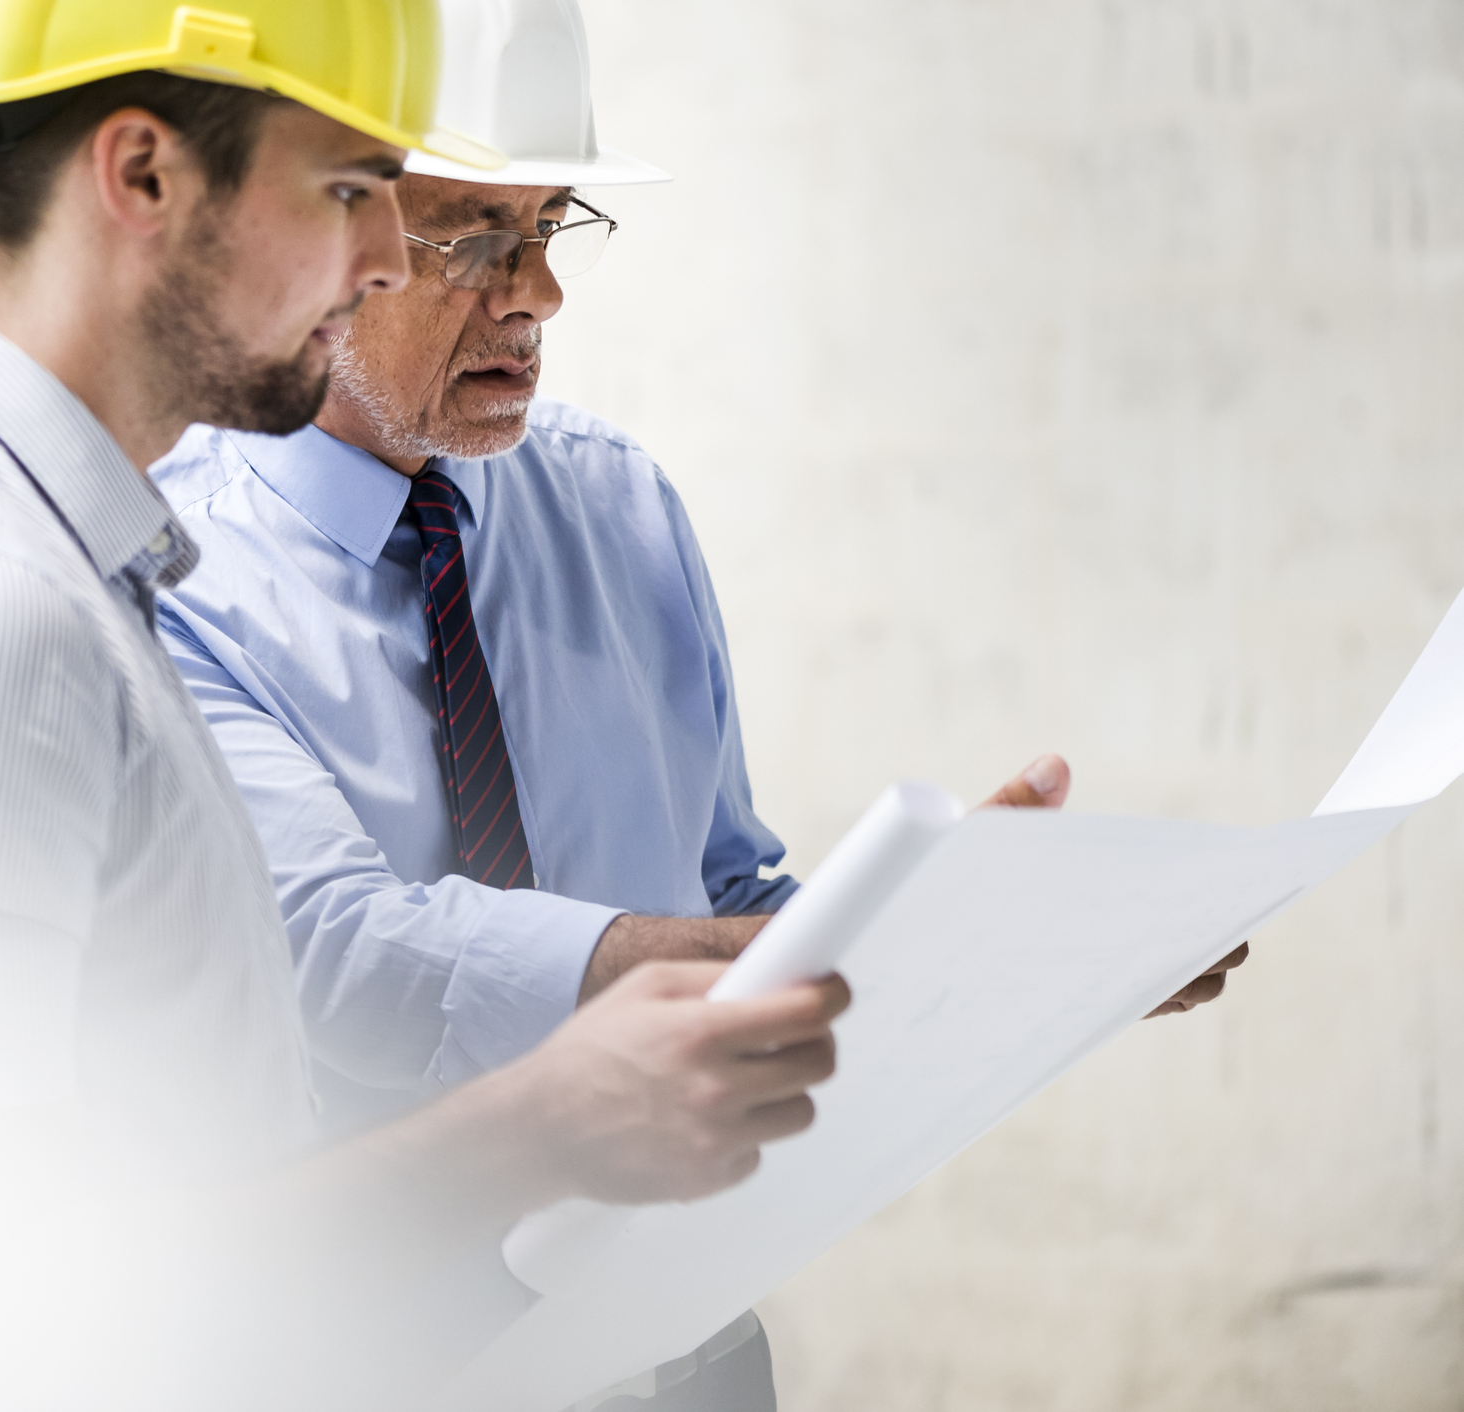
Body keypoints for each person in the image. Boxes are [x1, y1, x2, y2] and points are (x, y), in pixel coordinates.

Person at [0, 3, 849, 1408]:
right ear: (144, 178)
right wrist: (539, 1125)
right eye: (354, 190)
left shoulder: (54, 563)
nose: (372, 260)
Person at [149, 1, 1247, 1406]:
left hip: (691, 1348)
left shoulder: (613, 503)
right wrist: (876, 945)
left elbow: (733, 883)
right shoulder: (169, 582)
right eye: (477, 235)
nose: (538, 294)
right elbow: (351, 958)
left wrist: (1003, 958)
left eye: (552, 225)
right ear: (318, 232)